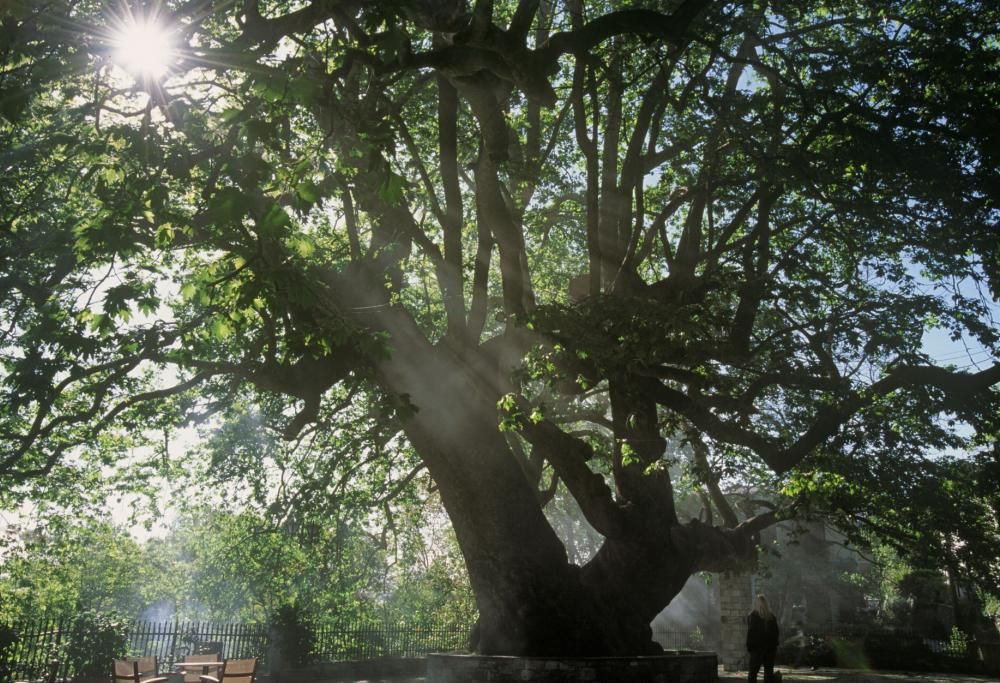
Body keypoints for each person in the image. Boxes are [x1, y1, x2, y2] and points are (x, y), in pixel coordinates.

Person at [746, 593, 779, 683]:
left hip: (757, 649)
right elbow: (776, 634)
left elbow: (751, 633)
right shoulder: (772, 617)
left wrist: (749, 647)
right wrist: (774, 646)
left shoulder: (753, 616)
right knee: (768, 674)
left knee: (753, 673)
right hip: (769, 649)